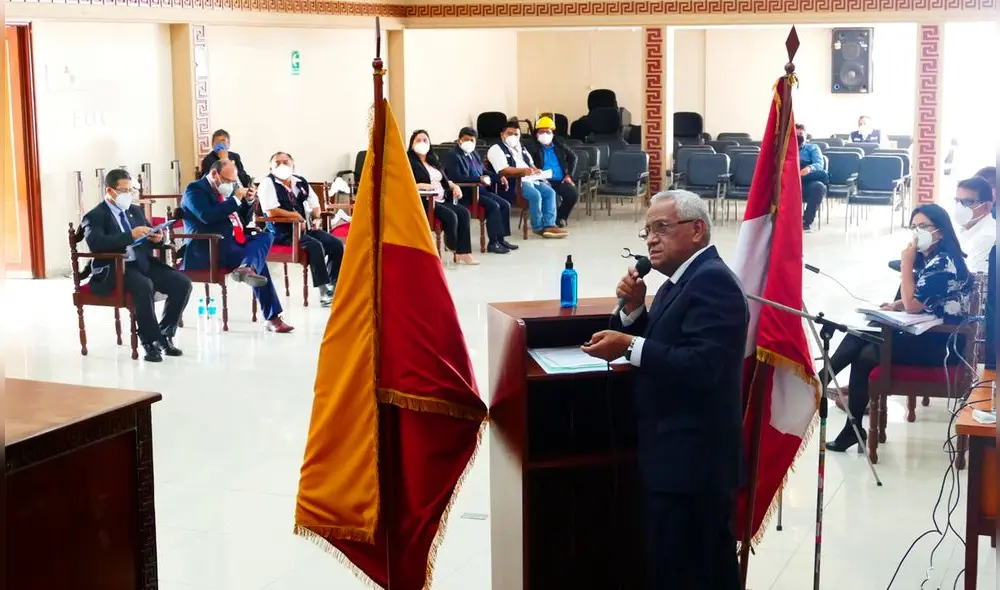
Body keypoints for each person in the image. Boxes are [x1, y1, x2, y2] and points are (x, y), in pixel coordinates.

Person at [582, 190, 747, 590]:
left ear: (697, 230)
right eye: (647, 231)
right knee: (695, 567)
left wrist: (628, 345)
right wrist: (635, 311)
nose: (652, 239)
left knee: (688, 571)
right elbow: (669, 343)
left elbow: (701, 367)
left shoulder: (712, 283)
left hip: (694, 463)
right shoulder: (681, 280)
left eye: (662, 228)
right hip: (675, 456)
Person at [822, 204, 972, 452]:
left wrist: (906, 265)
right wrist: (897, 304)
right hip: (927, 332)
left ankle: (819, 384)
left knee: (864, 346)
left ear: (941, 231)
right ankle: (852, 426)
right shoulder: (934, 257)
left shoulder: (944, 262)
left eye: (923, 227)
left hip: (943, 344)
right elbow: (927, 297)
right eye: (914, 227)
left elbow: (914, 306)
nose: (917, 232)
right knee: (863, 347)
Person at [82, 169, 193, 362]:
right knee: (144, 286)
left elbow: (147, 238)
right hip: (115, 268)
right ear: (109, 190)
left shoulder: (135, 211)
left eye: (130, 191)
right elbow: (96, 244)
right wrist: (129, 235)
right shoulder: (95, 215)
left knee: (182, 282)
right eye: (123, 191)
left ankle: (165, 334)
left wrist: (156, 238)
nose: (128, 195)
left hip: (142, 262)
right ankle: (149, 341)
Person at [181, 159, 294, 333]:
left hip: (232, 242)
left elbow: (240, 220)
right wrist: (235, 198)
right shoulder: (194, 190)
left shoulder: (226, 190)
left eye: (233, 182)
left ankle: (247, 267)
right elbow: (207, 216)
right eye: (227, 181)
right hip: (208, 247)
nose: (230, 185)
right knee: (258, 261)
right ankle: (272, 317)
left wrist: (248, 202)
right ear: (214, 174)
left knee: (266, 236)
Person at [257, 151, 344, 306]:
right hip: (282, 232)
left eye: (286, 162)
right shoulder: (267, 184)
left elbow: (314, 204)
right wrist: (294, 216)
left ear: (293, 165)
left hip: (306, 228)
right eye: (278, 163)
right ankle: (324, 292)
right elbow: (271, 211)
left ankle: (334, 286)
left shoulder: (300, 182)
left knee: (336, 244)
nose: (282, 165)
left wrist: (317, 218)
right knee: (315, 246)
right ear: (270, 167)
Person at [407, 130, 479, 265]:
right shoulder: (408, 163)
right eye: (418, 140)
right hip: (426, 201)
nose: (422, 143)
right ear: (412, 144)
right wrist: (421, 185)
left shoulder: (433, 161)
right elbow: (403, 184)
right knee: (451, 215)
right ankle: (452, 245)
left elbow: (444, 180)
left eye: (425, 140)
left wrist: (454, 186)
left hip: (442, 198)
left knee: (464, 213)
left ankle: (463, 254)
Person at [443, 127, 518, 254]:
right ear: (459, 140)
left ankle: (501, 239)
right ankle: (493, 243)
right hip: (467, 193)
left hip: (480, 190)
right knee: (494, 206)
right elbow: (455, 177)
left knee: (505, 205)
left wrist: (499, 177)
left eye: (472, 140)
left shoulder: (474, 153)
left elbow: (483, 171)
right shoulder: (453, 155)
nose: (469, 143)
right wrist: (479, 178)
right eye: (466, 139)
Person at [487, 120, 566, 239]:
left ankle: (550, 224)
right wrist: (522, 172)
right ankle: (538, 227)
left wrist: (536, 170)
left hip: (531, 179)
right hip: (514, 183)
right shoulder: (496, 149)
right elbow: (503, 170)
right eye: (509, 133)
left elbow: (530, 163)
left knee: (550, 193)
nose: (513, 137)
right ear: (502, 134)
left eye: (516, 134)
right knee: (535, 195)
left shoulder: (521, 147)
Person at [524, 116, 578, 227]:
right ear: (536, 134)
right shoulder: (532, 146)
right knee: (548, 195)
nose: (545, 134)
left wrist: (569, 175)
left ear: (552, 133)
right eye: (541, 131)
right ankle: (548, 221)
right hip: (542, 180)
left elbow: (573, 157)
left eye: (547, 131)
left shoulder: (559, 143)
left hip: (560, 180)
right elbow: (527, 162)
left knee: (572, 194)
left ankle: (559, 217)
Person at [954, 175, 996, 274]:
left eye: (968, 202)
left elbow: (969, 281)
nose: (960, 207)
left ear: (987, 206)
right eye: (957, 201)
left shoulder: (988, 236)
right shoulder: (965, 231)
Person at [796, 123, 828, 232]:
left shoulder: (812, 148)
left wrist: (809, 168)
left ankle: (806, 222)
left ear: (806, 135)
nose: (799, 135)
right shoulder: (786, 148)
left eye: (801, 133)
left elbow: (819, 164)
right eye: (796, 134)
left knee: (819, 186)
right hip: (790, 179)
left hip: (807, 177)